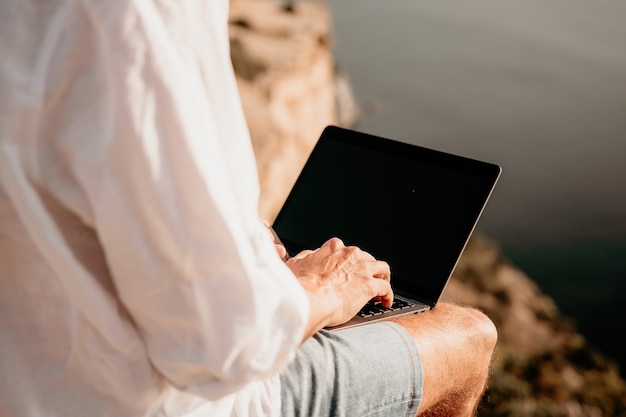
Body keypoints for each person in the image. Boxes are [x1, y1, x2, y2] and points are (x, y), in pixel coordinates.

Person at [0, 1, 497, 416]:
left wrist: (236, 243)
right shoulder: (134, 17)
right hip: (140, 399)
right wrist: (320, 289)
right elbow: (223, 344)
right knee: (468, 335)